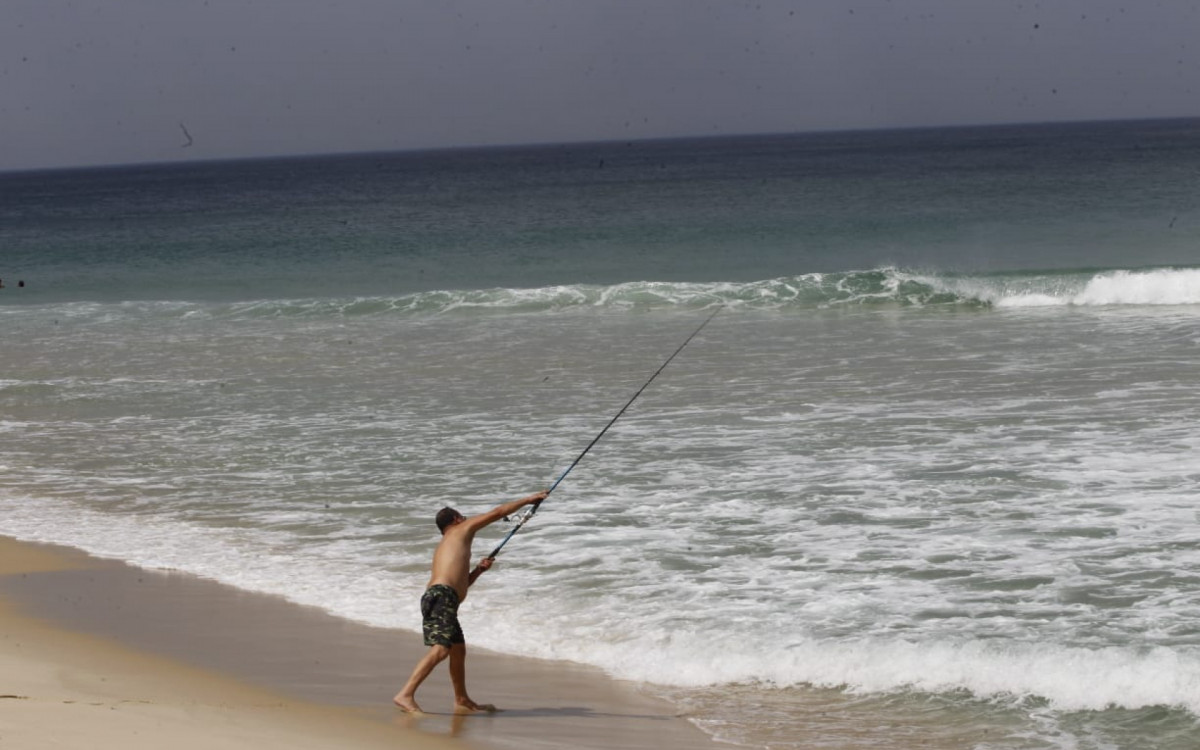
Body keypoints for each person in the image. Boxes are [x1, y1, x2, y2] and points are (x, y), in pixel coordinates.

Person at [393, 489, 549, 714]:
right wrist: (529, 499)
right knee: (441, 649)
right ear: (456, 519)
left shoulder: (448, 543)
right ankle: (405, 694)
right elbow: (497, 512)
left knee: (458, 650)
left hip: (442, 598)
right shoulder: (461, 530)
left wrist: (478, 571)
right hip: (442, 597)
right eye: (463, 516)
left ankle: (461, 698)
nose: (466, 519)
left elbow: (461, 584)